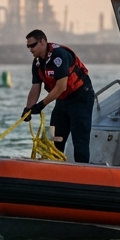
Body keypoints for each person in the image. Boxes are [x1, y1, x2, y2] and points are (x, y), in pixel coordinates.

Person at [23, 29, 94, 163]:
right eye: (28, 46)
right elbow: (36, 86)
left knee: (80, 139)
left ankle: (82, 169)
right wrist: (28, 108)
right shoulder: (37, 63)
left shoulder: (59, 56)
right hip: (62, 100)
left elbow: (61, 86)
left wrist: (42, 105)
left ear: (43, 42)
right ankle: (55, 168)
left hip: (80, 98)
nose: (30, 49)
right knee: (55, 138)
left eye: (32, 45)